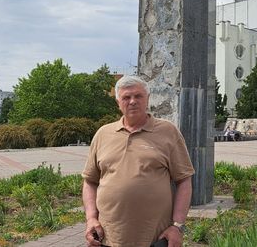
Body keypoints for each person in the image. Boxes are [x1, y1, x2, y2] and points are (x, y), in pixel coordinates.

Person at [82, 76, 195, 247]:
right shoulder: (103, 134)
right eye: (126, 97)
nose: (133, 101)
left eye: (138, 96)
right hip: (107, 238)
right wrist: (91, 219)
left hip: (155, 239)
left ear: (148, 99)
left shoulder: (168, 132)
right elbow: (90, 181)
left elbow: (184, 180)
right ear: (118, 102)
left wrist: (177, 226)